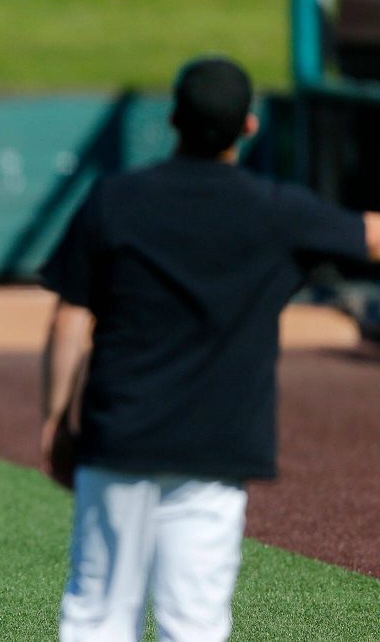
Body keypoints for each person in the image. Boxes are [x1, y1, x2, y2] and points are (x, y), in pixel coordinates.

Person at [37, 56, 380, 641]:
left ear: (173, 118)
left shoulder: (115, 200)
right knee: (193, 624)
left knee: (97, 615)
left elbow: (69, 316)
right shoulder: (276, 211)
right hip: (216, 449)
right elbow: (371, 236)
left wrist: (55, 419)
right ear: (249, 126)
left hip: (120, 435)